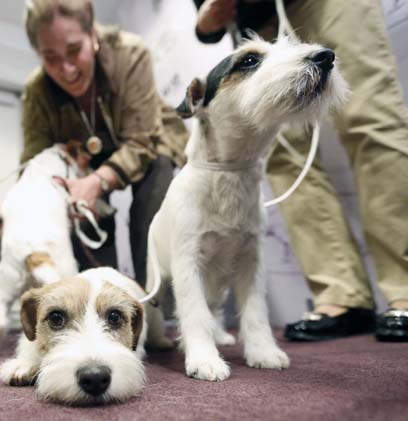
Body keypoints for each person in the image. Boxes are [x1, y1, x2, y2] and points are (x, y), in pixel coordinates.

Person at [194, 0, 408, 341]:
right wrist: (207, 20)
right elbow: (207, 18)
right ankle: (340, 294)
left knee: (369, 119)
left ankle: (405, 288)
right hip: (258, 19)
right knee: (283, 155)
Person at [21, 0, 188, 287]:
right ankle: (100, 300)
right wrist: (61, 196)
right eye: (50, 58)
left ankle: (159, 304)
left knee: (155, 192)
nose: (67, 69)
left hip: (149, 142)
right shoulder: (36, 91)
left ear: (93, 34)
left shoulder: (130, 53)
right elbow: (34, 163)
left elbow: (142, 140)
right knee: (85, 214)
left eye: (74, 50)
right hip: (83, 163)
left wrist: (99, 180)